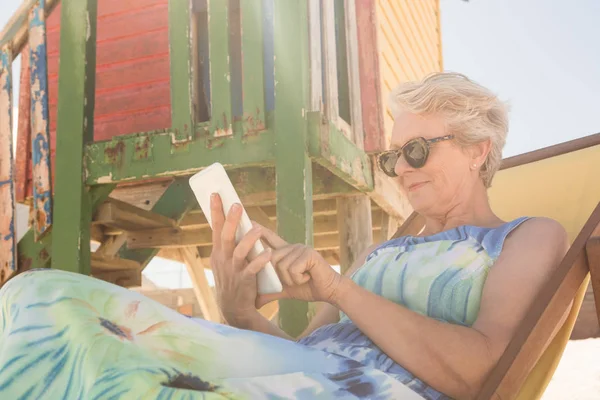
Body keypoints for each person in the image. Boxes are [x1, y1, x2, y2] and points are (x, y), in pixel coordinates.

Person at [0, 73, 568, 400]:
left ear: (478, 150)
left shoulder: (527, 238)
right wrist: (240, 308)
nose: (401, 168)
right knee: (41, 297)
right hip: (305, 381)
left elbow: (482, 372)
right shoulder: (381, 252)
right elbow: (295, 358)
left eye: (417, 151)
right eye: (393, 155)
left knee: (103, 355)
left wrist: (339, 290)